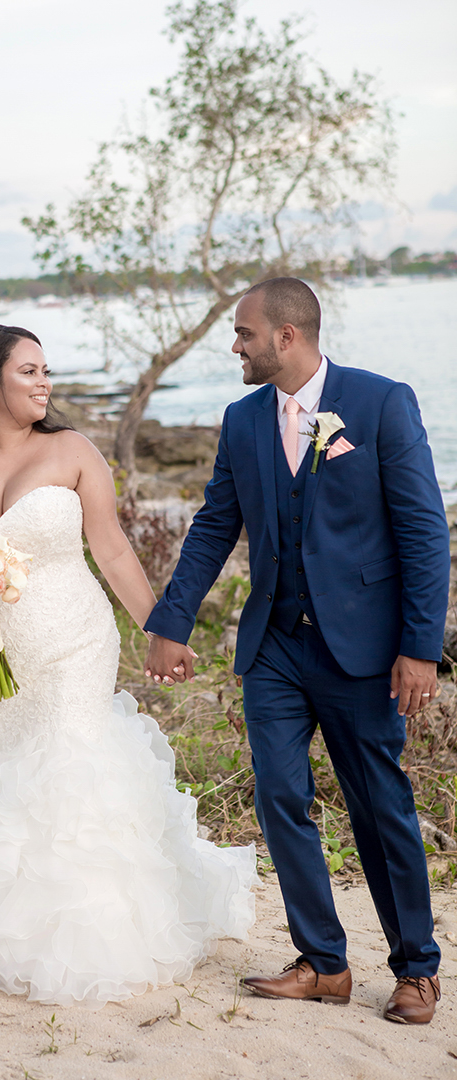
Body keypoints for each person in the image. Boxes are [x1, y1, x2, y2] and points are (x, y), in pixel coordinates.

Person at [0, 324, 256, 1008]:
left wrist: (164, 627)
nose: (45, 383)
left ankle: (84, 936)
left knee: (69, 764)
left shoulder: (72, 451)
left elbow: (113, 548)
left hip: (73, 640)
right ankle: (7, 917)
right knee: (5, 767)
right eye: (30, 371)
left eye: (47, 370)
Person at [144, 278, 450, 1025]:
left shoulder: (380, 403)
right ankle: (323, 962)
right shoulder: (242, 419)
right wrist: (171, 619)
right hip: (275, 645)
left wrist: (420, 648)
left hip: (365, 652)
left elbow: (424, 531)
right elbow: (217, 525)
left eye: (244, 334)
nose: (236, 346)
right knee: (280, 797)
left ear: (287, 336)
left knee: (382, 810)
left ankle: (416, 969)